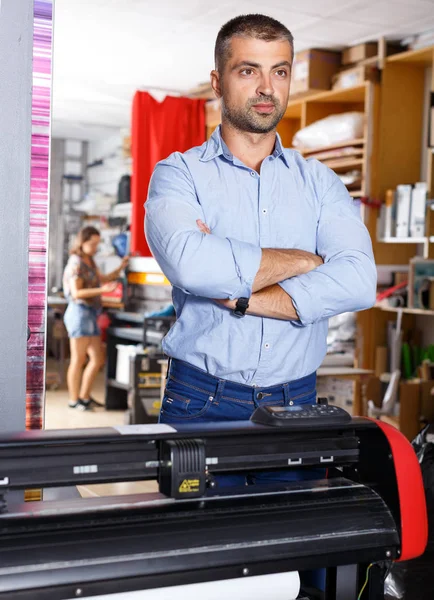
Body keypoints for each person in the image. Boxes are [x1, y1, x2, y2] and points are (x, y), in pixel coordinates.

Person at [145, 14, 376, 486]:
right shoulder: (179, 174)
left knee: (294, 552)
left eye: (281, 71)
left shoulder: (322, 183)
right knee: (201, 554)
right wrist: (306, 261)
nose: (267, 87)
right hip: (201, 402)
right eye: (249, 70)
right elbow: (194, 265)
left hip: (298, 404)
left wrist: (245, 294)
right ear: (217, 81)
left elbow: (357, 280)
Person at [62, 226, 128, 411]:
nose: (95, 247)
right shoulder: (76, 263)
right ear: (82, 242)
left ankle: (84, 396)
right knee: (78, 359)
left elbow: (103, 278)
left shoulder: (89, 260)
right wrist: (103, 291)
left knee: (98, 359)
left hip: (90, 313)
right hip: (79, 313)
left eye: (97, 244)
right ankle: (74, 400)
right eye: (91, 244)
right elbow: (77, 293)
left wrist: (121, 267)